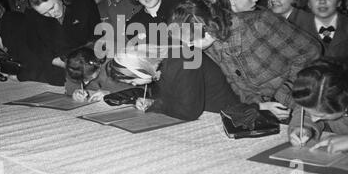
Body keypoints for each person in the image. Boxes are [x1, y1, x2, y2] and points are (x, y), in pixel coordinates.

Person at [168, 0, 321, 120]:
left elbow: (310, 52)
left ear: (208, 29)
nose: (188, 46)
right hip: (266, 112)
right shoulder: (207, 47)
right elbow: (235, 85)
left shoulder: (258, 23)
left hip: (307, 105)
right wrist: (260, 105)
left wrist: (282, 95)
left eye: (190, 40)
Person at [108, 44, 267, 124]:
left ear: (138, 68)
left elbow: (189, 112)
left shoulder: (181, 61)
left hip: (225, 117)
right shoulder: (159, 64)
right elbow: (165, 95)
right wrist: (152, 101)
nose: (134, 84)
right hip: (206, 114)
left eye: (131, 79)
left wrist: (155, 105)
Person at [0, 0, 64, 85]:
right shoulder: (10, 17)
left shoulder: (6, 28)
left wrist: (19, 76)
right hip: (55, 64)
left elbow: (31, 60)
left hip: (55, 73)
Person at [288, 57, 348, 155]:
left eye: (321, 116)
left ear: (346, 106)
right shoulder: (318, 100)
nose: (314, 119)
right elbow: (306, 110)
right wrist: (304, 127)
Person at [28, 0, 101, 60]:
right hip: (60, 64)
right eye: (44, 13)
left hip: (91, 56)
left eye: (52, 8)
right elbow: (40, 50)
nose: (52, 14)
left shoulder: (84, 1)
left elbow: (97, 36)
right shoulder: (35, 17)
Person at [65, 46, 133, 103]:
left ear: (98, 67)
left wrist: (111, 93)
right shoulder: (75, 67)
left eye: (88, 78)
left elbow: (136, 89)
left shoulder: (115, 67)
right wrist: (75, 92)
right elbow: (70, 86)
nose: (86, 82)